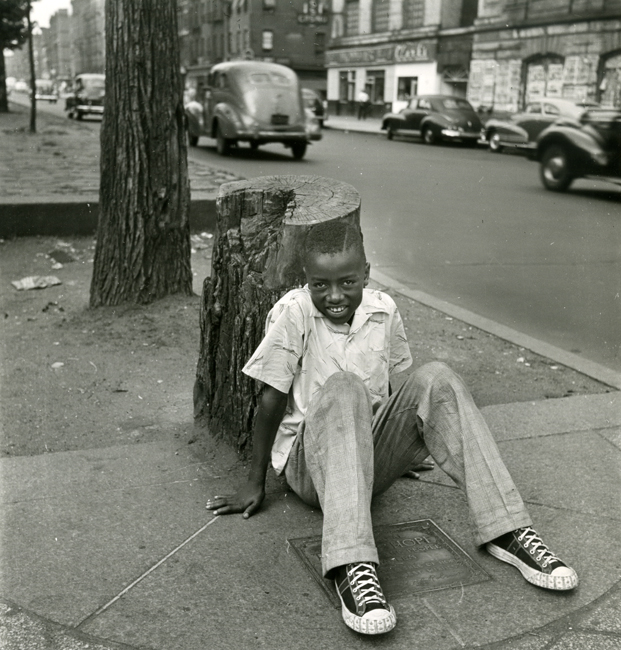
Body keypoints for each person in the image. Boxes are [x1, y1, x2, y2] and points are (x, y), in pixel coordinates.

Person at [206, 220, 578, 636]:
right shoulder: (294, 312)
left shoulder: (384, 310)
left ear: (366, 273)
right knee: (345, 386)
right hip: (310, 467)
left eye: (347, 282)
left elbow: (391, 389)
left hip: (364, 460)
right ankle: (353, 566)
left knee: (437, 376)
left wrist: (398, 449)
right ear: (305, 280)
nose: (333, 296)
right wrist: (254, 482)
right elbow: (271, 399)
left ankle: (507, 530)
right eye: (319, 285)